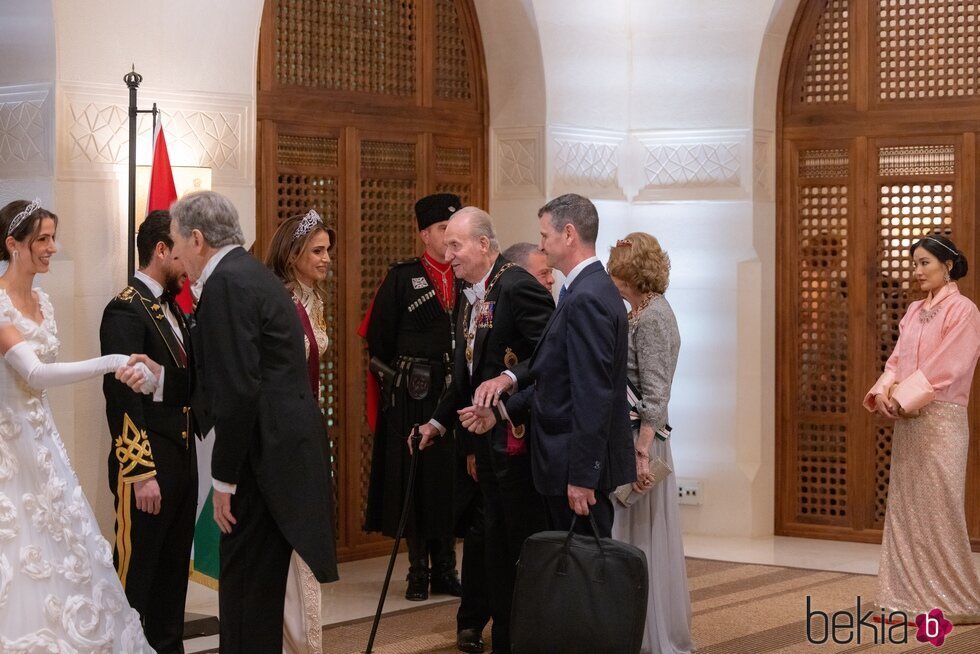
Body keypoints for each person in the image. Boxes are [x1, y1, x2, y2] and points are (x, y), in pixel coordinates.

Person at [154, 190, 338, 652]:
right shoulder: (249, 275)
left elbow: (238, 389)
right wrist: (160, 380)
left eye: (177, 243)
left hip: (265, 460)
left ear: (197, 239)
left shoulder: (228, 284)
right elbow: (225, 373)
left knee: (246, 596)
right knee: (251, 593)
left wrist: (223, 481)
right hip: (279, 451)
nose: (176, 255)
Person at [0, 199, 156, 651]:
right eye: (41, 239)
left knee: (66, 544)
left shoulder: (43, 301)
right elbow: (35, 374)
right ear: (13, 245)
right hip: (9, 447)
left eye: (53, 237)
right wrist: (111, 361)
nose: (52, 248)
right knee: (20, 544)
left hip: (43, 443)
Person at [419, 207, 553, 654]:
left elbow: (552, 357)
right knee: (493, 547)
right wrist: (437, 422)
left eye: (455, 245)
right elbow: (465, 374)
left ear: (483, 244)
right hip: (487, 443)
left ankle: (520, 640)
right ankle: (503, 637)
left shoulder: (517, 287)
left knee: (516, 547)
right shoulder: (467, 291)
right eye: (445, 245)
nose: (447, 253)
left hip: (521, 442)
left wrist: (511, 383)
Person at [466, 193, 633, 538]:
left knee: (584, 578)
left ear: (568, 234)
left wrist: (583, 476)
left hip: (575, 468)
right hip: (564, 463)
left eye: (545, 236)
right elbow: (554, 378)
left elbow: (592, 393)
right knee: (571, 577)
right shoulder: (582, 290)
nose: (541, 245)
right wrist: (499, 413)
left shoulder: (588, 297)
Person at [864, 233, 980, 623]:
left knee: (940, 505)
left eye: (924, 263)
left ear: (947, 265)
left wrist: (904, 396)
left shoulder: (964, 310)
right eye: (914, 264)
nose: (917, 271)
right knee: (905, 505)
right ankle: (901, 597)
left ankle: (956, 601)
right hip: (908, 422)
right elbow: (896, 360)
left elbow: (951, 364)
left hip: (941, 420)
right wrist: (884, 391)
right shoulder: (913, 311)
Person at [100, 209, 197, 654]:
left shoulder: (176, 309)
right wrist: (140, 473)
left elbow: (187, 382)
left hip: (181, 465)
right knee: (137, 581)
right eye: (181, 254)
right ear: (161, 250)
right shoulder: (124, 308)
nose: (187, 265)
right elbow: (121, 397)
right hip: (147, 469)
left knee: (173, 579)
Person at [363, 193, 462, 601]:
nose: (451, 239)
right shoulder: (402, 278)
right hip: (413, 393)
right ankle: (417, 569)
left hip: (454, 393)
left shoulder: (468, 276)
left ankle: (446, 567)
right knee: (415, 480)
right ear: (425, 234)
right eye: (443, 230)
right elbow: (378, 340)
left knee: (449, 481)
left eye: (456, 232)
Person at [606, 233, 694, 654]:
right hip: (629, 438)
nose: (610, 273)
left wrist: (641, 453)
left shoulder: (655, 316)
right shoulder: (637, 312)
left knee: (641, 538)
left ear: (630, 271)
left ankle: (649, 636)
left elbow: (656, 395)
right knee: (628, 536)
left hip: (643, 441)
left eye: (615, 265)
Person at [265, 209, 335, 654]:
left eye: (328, 250)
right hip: (285, 436)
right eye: (318, 250)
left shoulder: (315, 299)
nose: (327, 258)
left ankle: (307, 640)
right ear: (293, 255)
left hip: (309, 429)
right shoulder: (279, 302)